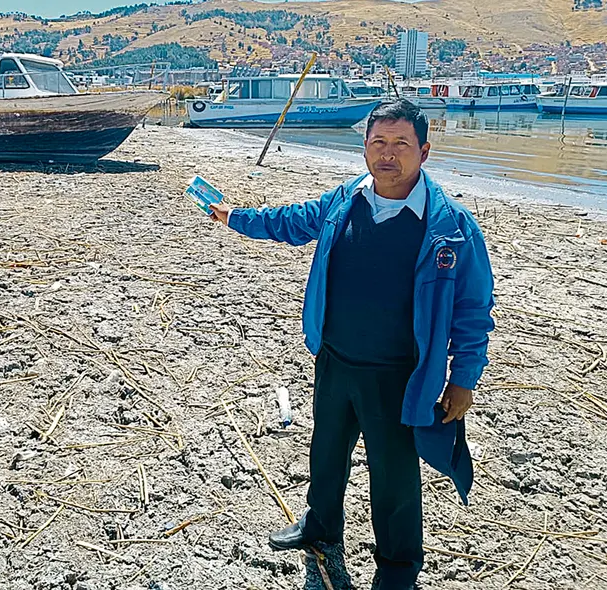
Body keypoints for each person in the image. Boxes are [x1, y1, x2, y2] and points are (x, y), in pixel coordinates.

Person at [208, 99, 495, 590]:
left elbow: (473, 309)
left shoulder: (450, 226)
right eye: (378, 143)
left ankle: (399, 568)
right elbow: (290, 221)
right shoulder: (345, 200)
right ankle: (321, 527)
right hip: (336, 359)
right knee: (327, 450)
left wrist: (463, 378)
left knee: (394, 475)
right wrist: (235, 217)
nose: (388, 154)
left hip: (401, 374)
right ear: (364, 148)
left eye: (401, 144)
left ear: (424, 152)